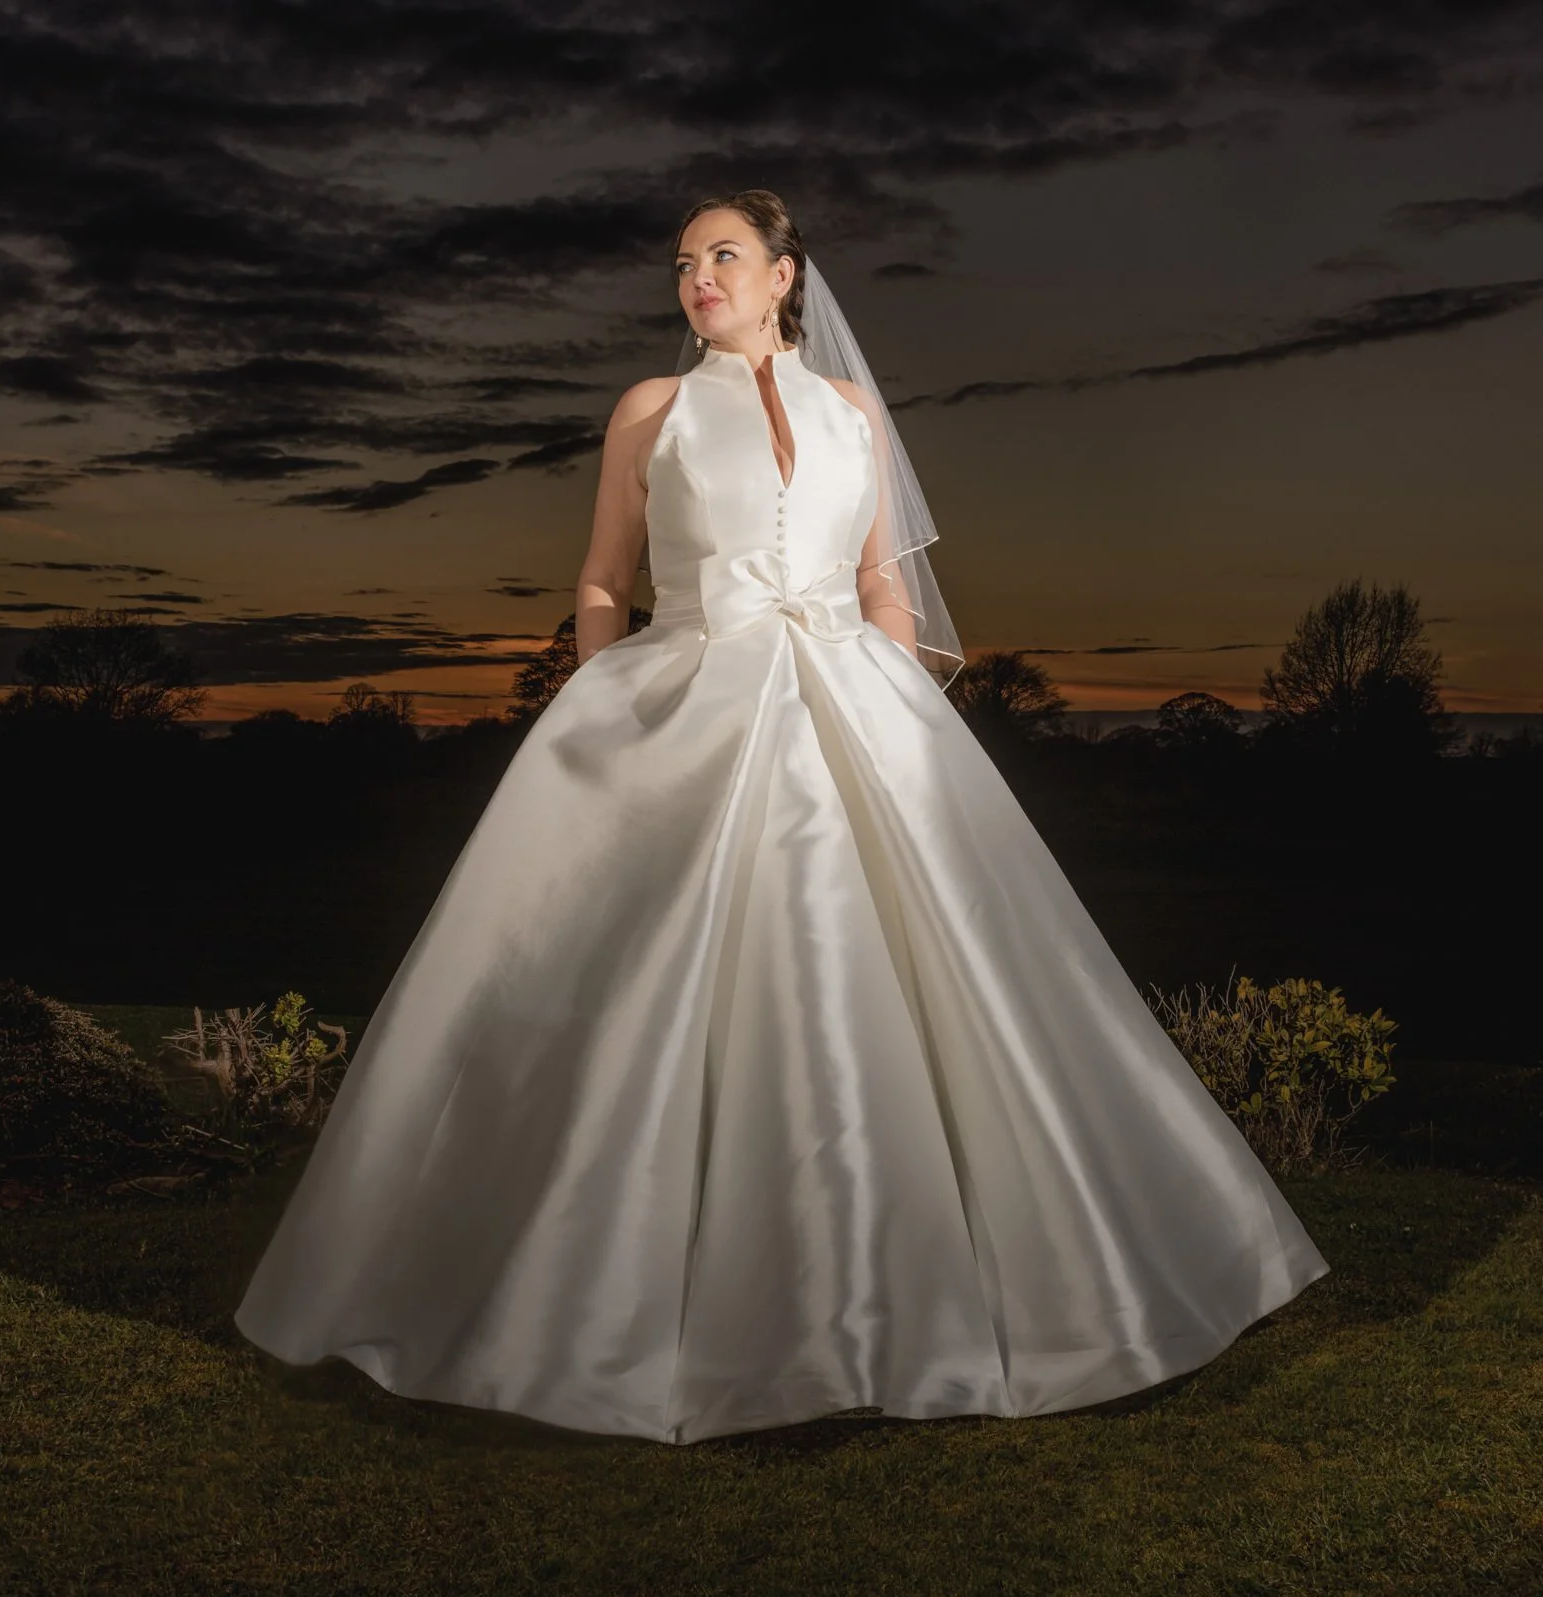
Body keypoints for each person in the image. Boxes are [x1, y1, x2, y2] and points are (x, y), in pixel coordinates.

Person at [234, 189, 1330, 1444]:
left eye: (723, 255)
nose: (697, 276)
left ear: (782, 274)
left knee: (896, 986)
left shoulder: (854, 411)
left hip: (855, 703)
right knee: (641, 989)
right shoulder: (650, 410)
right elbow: (603, 580)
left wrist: (903, 692)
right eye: (684, 262)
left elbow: (879, 575)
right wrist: (599, 701)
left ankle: (912, 1296)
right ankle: (607, 1307)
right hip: (682, 700)